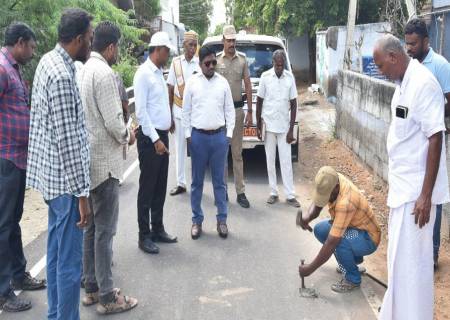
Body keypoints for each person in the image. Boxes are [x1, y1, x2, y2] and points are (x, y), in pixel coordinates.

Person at [373, 34, 449, 320]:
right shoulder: (401, 84)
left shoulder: (423, 83)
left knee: (414, 269)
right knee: (398, 265)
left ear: (393, 57)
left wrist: (426, 195)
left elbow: (435, 136)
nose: (380, 71)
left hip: (417, 197)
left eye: (381, 65)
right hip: (401, 192)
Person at [27, 9, 93, 320]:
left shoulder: (45, 62)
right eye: (90, 39)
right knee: (69, 264)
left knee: (54, 256)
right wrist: (83, 195)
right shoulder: (63, 76)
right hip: (67, 188)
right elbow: (68, 143)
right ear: (78, 39)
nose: (91, 44)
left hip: (50, 182)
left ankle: (55, 316)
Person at [78, 21, 138, 315]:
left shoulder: (85, 69)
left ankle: (90, 288)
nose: (119, 54)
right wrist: (129, 134)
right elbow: (116, 123)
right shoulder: (103, 73)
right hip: (105, 165)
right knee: (104, 232)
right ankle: (107, 295)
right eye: (119, 48)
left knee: (91, 229)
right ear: (111, 46)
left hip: (88, 161)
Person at [0, 22, 46, 313]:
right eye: (30, 45)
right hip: (5, 158)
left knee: (13, 221)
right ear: (19, 43)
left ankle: (18, 275)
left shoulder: (13, 69)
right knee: (3, 225)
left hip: (17, 158)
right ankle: (4, 291)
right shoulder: (2, 69)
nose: (32, 50)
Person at [404, 18, 450, 270]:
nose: (409, 48)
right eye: (406, 43)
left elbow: (449, 101)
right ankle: (416, 250)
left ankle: (431, 253)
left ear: (425, 41)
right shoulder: (409, 66)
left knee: (434, 192)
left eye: (413, 43)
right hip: (413, 143)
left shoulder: (440, 66)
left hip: (434, 137)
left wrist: (436, 120)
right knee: (416, 193)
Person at [297, 166, 380, 293]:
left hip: (367, 237)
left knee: (338, 241)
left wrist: (310, 268)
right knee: (320, 230)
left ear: (335, 188)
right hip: (352, 228)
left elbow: (331, 242)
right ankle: (352, 262)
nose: (325, 199)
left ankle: (353, 278)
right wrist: (307, 217)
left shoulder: (346, 202)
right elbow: (318, 203)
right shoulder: (331, 178)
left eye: (327, 195)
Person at [182, 45, 235, 239]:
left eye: (214, 62)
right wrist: (189, 136)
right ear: (200, 63)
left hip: (219, 138)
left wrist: (228, 135)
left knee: (220, 183)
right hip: (198, 138)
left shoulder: (223, 83)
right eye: (208, 63)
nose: (212, 66)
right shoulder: (192, 83)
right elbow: (185, 112)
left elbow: (230, 110)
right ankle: (197, 221)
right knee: (196, 183)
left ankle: (222, 220)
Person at [134, 31, 177, 254]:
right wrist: (156, 140)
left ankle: (157, 228)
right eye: (167, 50)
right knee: (148, 187)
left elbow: (158, 104)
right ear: (158, 50)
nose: (168, 54)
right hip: (151, 139)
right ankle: (144, 236)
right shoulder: (143, 74)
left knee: (160, 185)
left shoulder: (159, 72)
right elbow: (141, 113)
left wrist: (167, 123)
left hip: (161, 135)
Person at [256, 50, 301, 208]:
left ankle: (290, 195)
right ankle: (273, 192)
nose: (279, 68)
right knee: (270, 160)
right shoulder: (265, 77)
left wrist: (291, 129)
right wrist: (258, 125)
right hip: (268, 126)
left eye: (282, 65)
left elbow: (294, 104)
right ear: (273, 63)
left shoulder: (289, 78)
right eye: (277, 65)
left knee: (286, 161)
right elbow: (259, 101)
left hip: (284, 127)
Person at [216, 25, 252, 208]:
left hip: (238, 112)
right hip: (220, 114)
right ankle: (222, 193)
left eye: (233, 40)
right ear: (223, 40)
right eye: (228, 40)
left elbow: (247, 84)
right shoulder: (216, 61)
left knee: (237, 154)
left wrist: (250, 112)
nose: (231, 43)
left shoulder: (242, 60)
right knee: (221, 154)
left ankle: (241, 192)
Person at [167, 30, 201, 196]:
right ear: (183, 45)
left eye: (195, 45)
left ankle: (196, 183)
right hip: (179, 112)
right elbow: (171, 88)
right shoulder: (175, 63)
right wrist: (169, 116)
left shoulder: (199, 63)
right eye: (190, 45)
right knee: (180, 149)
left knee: (196, 149)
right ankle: (181, 183)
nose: (192, 48)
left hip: (195, 114)